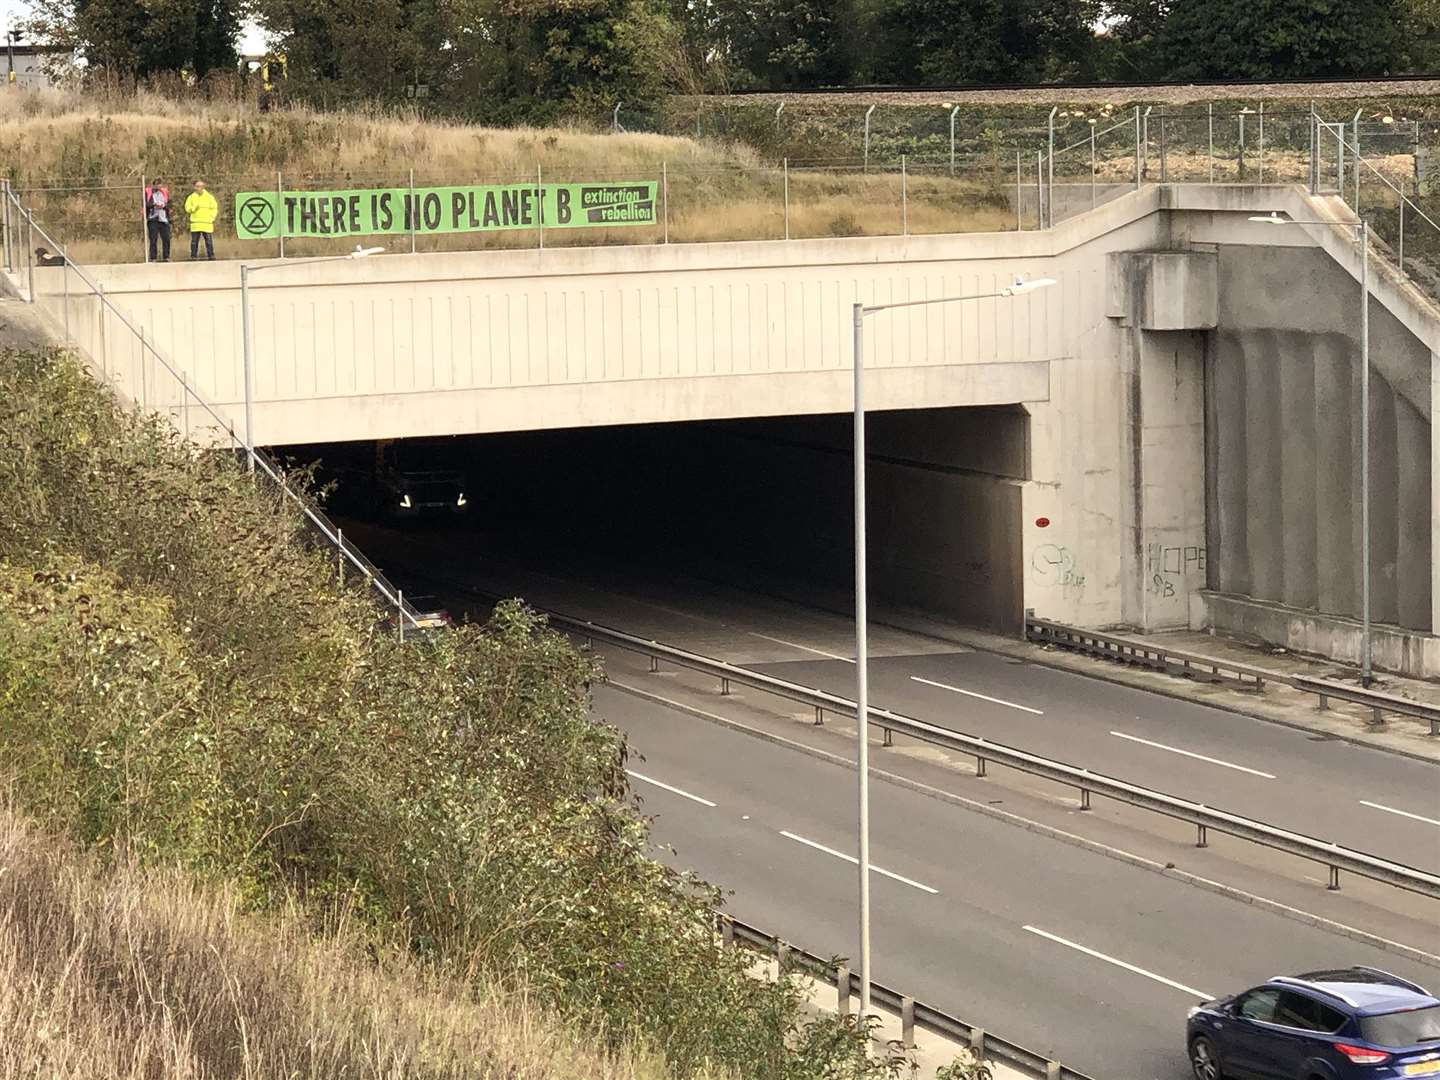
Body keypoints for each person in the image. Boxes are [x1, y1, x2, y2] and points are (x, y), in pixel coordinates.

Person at [184, 179, 218, 260]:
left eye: (200, 186)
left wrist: (212, 217)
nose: (198, 188)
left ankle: (211, 255)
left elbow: (214, 208)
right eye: (197, 186)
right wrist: (193, 208)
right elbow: (187, 208)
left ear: (203, 187)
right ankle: (193, 256)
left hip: (207, 223)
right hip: (195, 223)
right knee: (194, 242)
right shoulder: (191, 197)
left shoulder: (210, 197)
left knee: (209, 241)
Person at [144, 177, 171, 262]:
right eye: (156, 184)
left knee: (166, 238)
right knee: (153, 239)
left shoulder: (165, 193)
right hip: (153, 219)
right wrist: (154, 205)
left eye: (160, 184)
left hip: (163, 219)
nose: (158, 186)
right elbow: (146, 204)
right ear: (153, 185)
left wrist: (164, 206)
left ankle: (166, 256)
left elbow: (169, 204)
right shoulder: (148, 193)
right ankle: (153, 257)